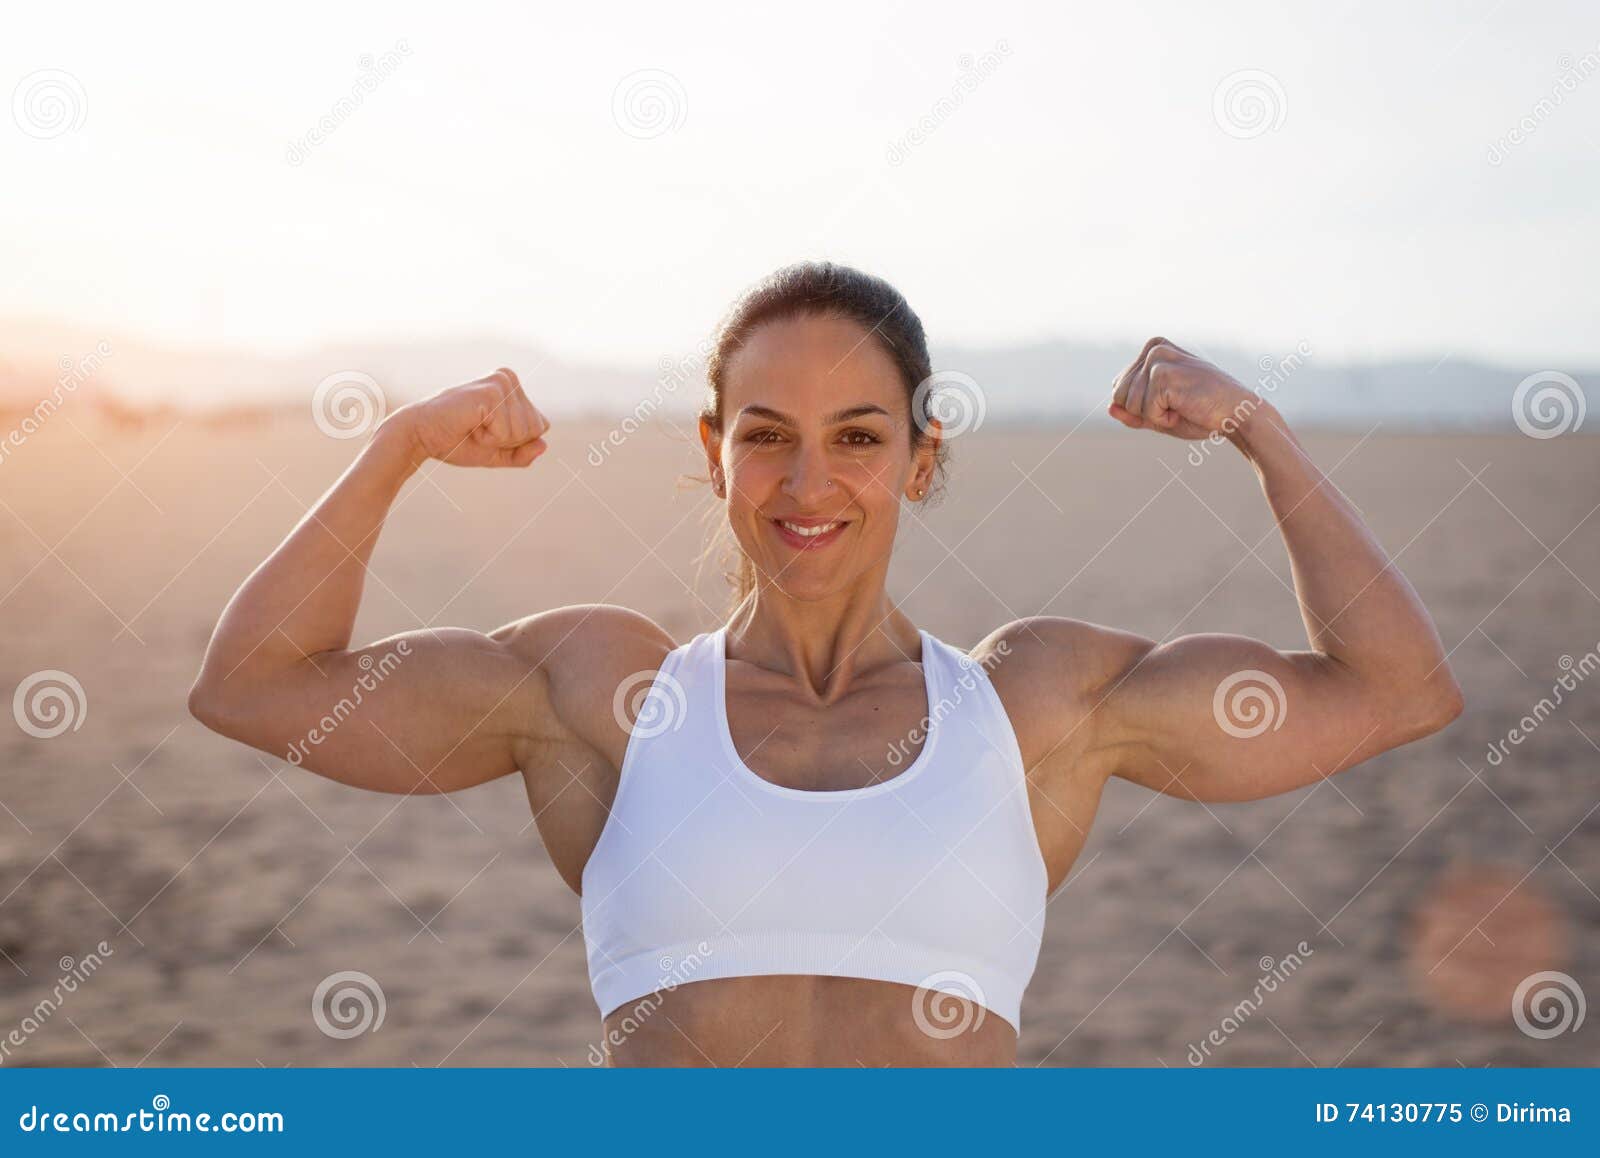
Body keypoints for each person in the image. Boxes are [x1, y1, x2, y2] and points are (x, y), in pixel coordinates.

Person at [188, 261, 1463, 1066]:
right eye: (766, 437)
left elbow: (1396, 689)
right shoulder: (603, 694)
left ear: (919, 456)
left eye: (857, 437)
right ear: (711, 451)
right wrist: (400, 444)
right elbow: (253, 685)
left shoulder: (1033, 705)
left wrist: (1259, 431)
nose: (807, 485)